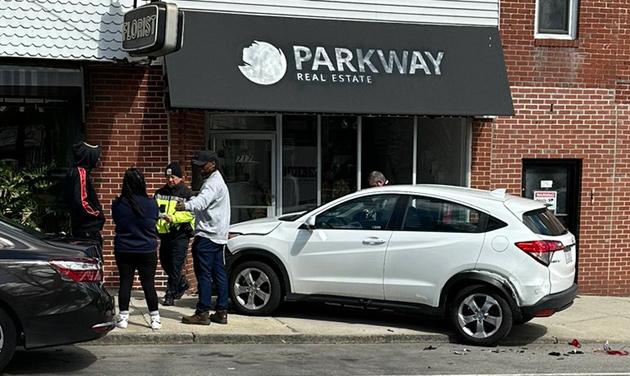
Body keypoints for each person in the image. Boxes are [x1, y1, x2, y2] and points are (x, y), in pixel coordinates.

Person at [176, 150, 231, 325]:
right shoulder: (218, 181)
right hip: (219, 236)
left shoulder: (212, 184)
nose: (200, 168)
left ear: (213, 164)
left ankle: (202, 312)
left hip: (207, 235)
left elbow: (202, 203)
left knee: (204, 275)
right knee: (219, 274)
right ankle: (222, 311)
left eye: (203, 164)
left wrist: (184, 205)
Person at [112, 167, 161, 330]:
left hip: (124, 248)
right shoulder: (151, 203)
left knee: (125, 282)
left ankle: (123, 317)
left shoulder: (118, 204)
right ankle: (155, 318)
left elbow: (117, 221)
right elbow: (153, 221)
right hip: (147, 249)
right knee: (149, 284)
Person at [154, 162, 194, 306]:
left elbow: (192, 214)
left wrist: (174, 218)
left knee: (176, 264)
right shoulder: (160, 193)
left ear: (180, 178)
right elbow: (154, 210)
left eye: (173, 177)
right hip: (165, 235)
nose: (170, 180)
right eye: (168, 177)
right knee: (165, 262)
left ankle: (170, 294)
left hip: (181, 233)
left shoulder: (187, 193)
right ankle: (181, 282)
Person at [63, 141, 106, 254]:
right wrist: (96, 214)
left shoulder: (74, 172)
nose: (98, 160)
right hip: (87, 229)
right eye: (97, 157)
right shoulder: (81, 173)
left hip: (80, 227)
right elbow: (82, 200)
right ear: (89, 157)